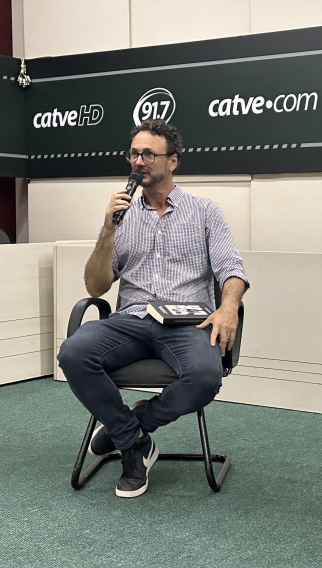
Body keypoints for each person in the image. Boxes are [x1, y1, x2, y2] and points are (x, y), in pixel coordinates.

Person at [58, 119, 248, 498]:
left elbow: (232, 269)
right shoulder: (121, 215)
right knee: (73, 353)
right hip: (131, 320)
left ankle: (129, 427)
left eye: (148, 154)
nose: (138, 162)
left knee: (205, 376)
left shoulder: (204, 212)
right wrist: (108, 231)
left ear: (172, 161)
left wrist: (229, 306)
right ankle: (134, 444)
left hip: (187, 323)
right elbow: (95, 286)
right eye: (134, 154)